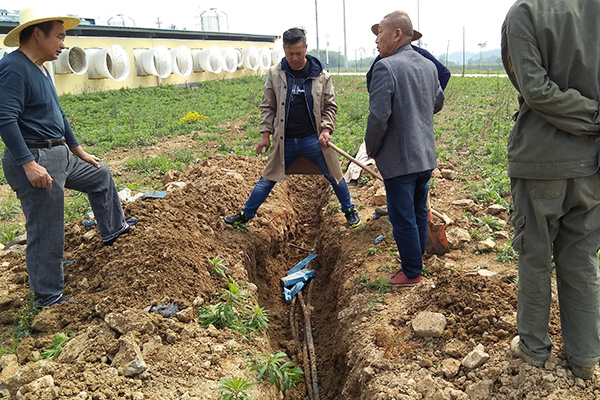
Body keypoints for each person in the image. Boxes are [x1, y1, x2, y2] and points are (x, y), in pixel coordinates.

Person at [0, 8, 137, 307]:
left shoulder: (41, 68)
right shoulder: (13, 68)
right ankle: (48, 297)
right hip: (34, 156)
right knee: (47, 227)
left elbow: (57, 114)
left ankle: (114, 231)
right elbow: (5, 119)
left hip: (58, 151)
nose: (64, 44)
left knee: (100, 174)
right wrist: (29, 164)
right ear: (38, 34)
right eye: (60, 36)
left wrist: (78, 150)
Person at [501, 0, 600, 380]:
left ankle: (533, 349)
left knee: (535, 256)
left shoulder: (526, 12)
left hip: (540, 161)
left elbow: (536, 91)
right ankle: (585, 358)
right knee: (581, 257)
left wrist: (591, 116)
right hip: (591, 164)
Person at [224, 27, 360, 228]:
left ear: (306, 48)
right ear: (284, 50)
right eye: (290, 54)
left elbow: (330, 106)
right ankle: (245, 215)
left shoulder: (322, 76)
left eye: (299, 53)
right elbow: (267, 106)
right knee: (267, 179)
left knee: (334, 174)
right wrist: (265, 135)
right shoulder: (275, 74)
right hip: (284, 140)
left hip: (312, 139)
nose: (295, 58)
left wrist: (326, 130)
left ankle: (349, 210)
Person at [364, 10, 444, 287]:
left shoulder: (385, 68)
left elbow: (378, 117)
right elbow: (437, 104)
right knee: (419, 210)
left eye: (380, 33)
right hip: (424, 155)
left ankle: (411, 271)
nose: (376, 40)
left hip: (400, 159)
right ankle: (415, 259)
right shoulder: (428, 66)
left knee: (402, 216)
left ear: (397, 34)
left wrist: (371, 148)